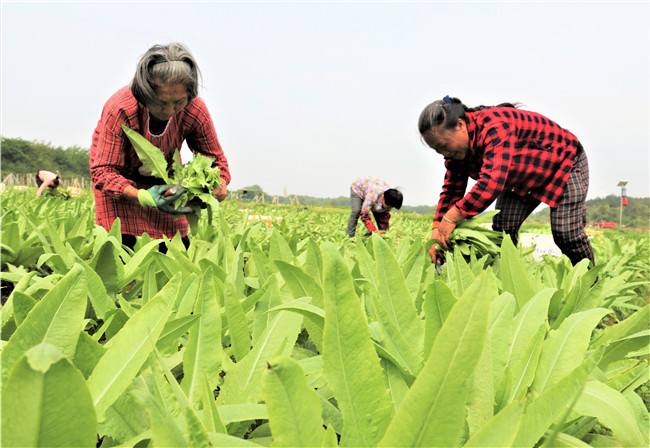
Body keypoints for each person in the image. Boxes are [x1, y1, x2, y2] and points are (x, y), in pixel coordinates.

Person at [420, 95, 594, 266]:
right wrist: (436, 234)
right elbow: (451, 192)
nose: (444, 154)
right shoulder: (455, 155)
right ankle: (504, 281)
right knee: (503, 232)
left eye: (444, 146)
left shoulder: (495, 126)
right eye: (437, 150)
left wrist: (452, 217)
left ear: (460, 125)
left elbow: (491, 183)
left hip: (565, 162)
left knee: (566, 233)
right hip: (521, 179)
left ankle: (591, 283)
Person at [89, 42, 230, 252]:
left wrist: (217, 184)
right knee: (120, 250)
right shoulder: (121, 107)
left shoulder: (195, 110)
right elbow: (103, 171)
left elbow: (215, 159)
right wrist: (142, 196)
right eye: (161, 102)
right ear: (144, 92)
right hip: (120, 185)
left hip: (167, 188)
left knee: (174, 252)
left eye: (178, 102)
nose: (170, 110)